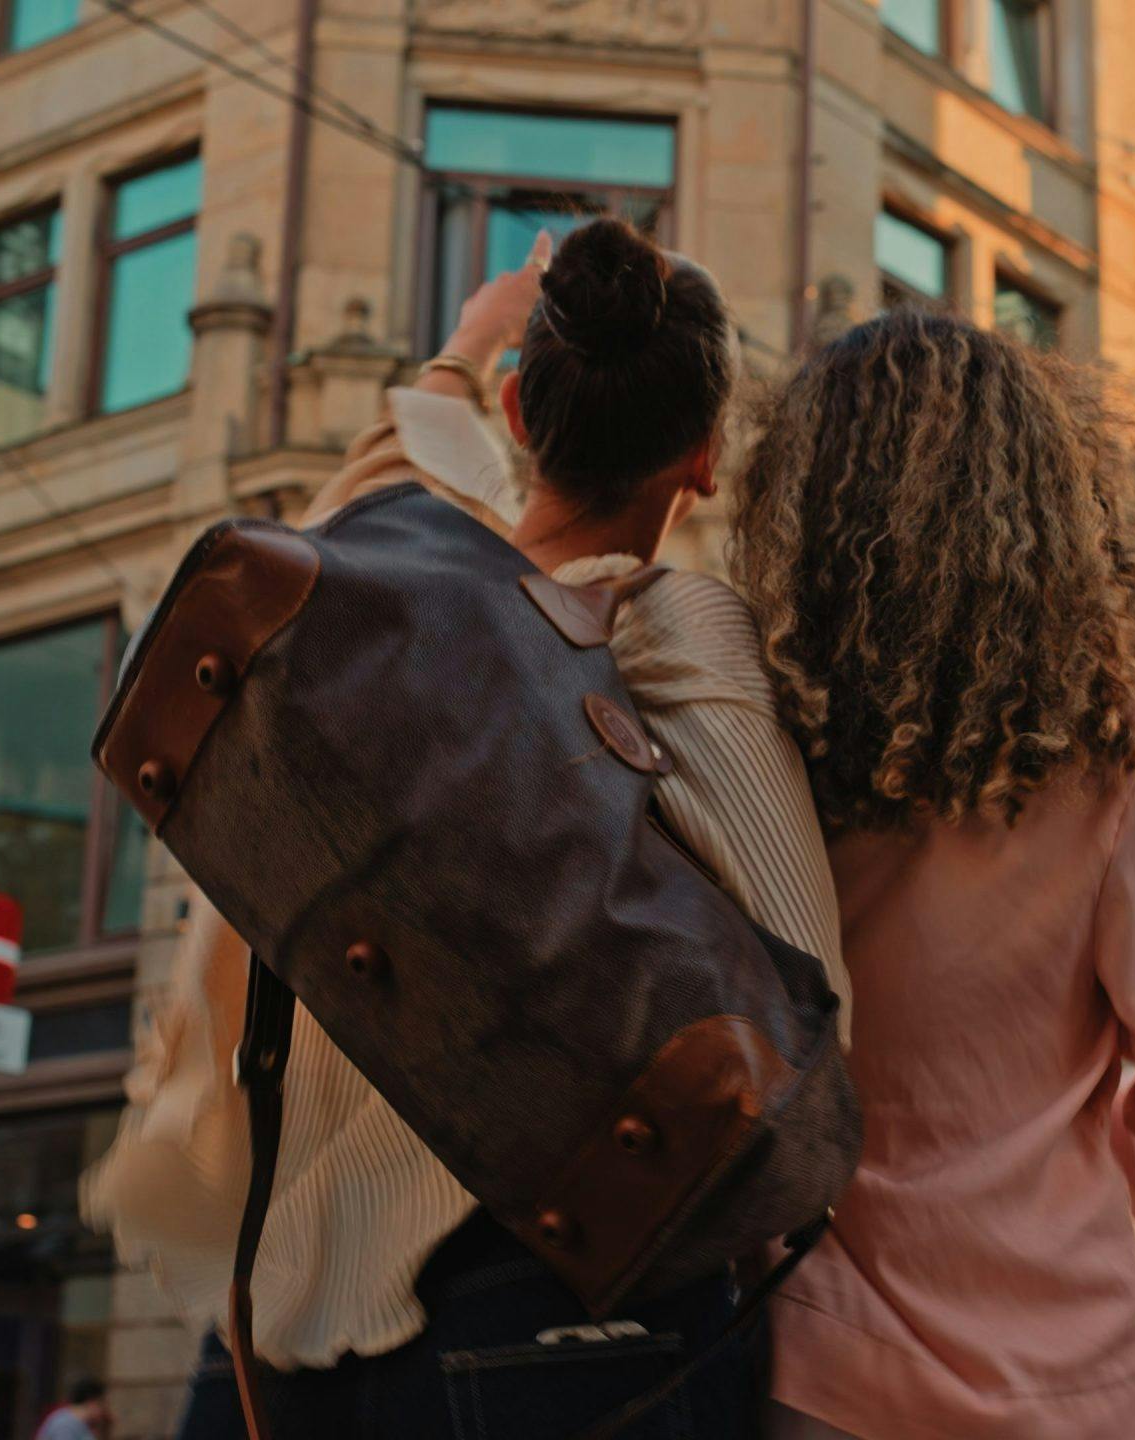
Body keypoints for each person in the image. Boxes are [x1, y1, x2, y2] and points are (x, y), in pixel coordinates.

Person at [83, 218, 844, 1439]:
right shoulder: (667, 626)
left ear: (520, 417)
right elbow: (802, 962)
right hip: (550, 1309)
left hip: (262, 1349)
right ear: (703, 461)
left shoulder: (359, 591)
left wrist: (469, 340)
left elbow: (403, 458)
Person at [727, 308, 1135, 1439]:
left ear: (806, 515)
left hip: (823, 1361)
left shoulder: (764, 739)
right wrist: (1105, 1143)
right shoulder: (1119, 763)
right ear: (1049, 508)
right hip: (1081, 1375)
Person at [36, 1378, 108, 1440]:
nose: (104, 1410)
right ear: (92, 1402)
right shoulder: (66, 1424)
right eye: (102, 1403)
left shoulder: (78, 1423)